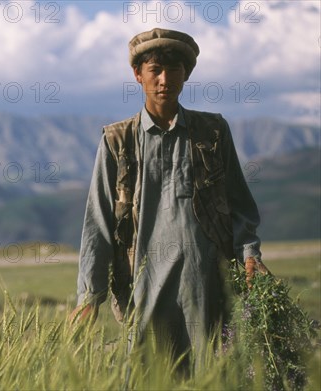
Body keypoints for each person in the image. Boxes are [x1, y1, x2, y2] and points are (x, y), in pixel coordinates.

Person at [70, 28, 268, 367]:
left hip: (206, 286)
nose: (165, 79)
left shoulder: (213, 132)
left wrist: (249, 253)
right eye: (155, 70)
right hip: (143, 287)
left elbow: (240, 204)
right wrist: (90, 295)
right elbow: (98, 223)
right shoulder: (117, 141)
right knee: (148, 373)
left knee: (212, 372)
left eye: (174, 70)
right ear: (138, 75)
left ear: (186, 74)